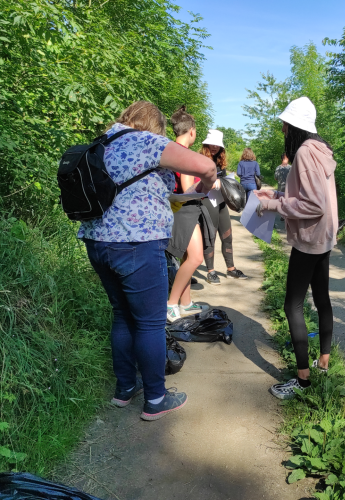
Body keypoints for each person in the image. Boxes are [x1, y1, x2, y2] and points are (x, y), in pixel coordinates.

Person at [78, 101, 216, 420]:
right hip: (137, 243)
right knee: (150, 322)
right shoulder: (146, 141)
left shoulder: (102, 142)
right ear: (154, 126)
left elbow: (152, 190)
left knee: (122, 316)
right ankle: (156, 398)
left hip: (97, 242)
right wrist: (207, 189)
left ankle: (125, 389)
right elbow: (206, 168)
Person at [253, 97, 338, 400]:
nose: (283, 129)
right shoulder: (321, 149)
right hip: (325, 238)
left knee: (293, 305)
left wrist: (271, 204)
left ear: (293, 126)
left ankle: (302, 380)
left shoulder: (303, 152)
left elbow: (311, 204)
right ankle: (323, 362)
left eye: (285, 124)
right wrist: (275, 192)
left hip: (309, 238)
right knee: (322, 298)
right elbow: (307, 193)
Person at [165, 106, 210, 322]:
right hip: (185, 211)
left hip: (176, 210)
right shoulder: (184, 155)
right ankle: (171, 304)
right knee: (195, 257)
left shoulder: (170, 149)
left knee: (185, 257)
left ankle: (186, 303)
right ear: (191, 130)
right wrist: (208, 185)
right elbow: (187, 189)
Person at [199, 130, 248, 284]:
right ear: (206, 144)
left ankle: (231, 269)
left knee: (227, 235)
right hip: (207, 201)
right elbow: (197, 182)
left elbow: (224, 179)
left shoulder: (220, 161)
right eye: (212, 144)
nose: (214, 147)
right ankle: (211, 272)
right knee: (210, 237)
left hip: (220, 201)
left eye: (217, 145)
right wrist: (212, 184)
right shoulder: (200, 159)